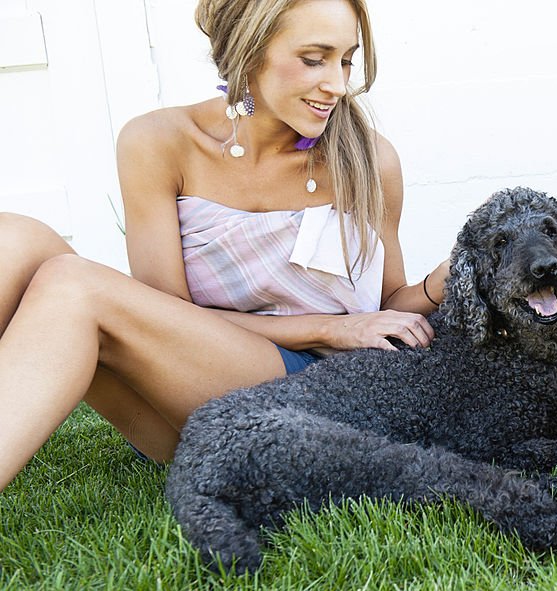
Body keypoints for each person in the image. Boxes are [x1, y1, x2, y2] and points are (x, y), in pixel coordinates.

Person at [0, 0, 449, 491]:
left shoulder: (368, 159)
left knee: (74, 286)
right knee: (13, 238)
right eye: (314, 58)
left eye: (346, 60)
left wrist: (443, 281)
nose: (338, 85)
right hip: (177, 392)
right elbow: (164, 316)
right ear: (248, 51)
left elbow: (388, 308)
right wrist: (330, 327)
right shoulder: (160, 142)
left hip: (310, 400)